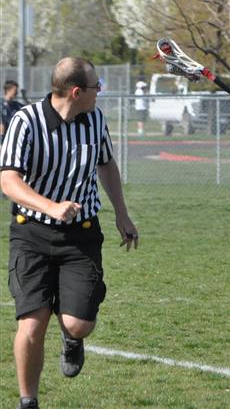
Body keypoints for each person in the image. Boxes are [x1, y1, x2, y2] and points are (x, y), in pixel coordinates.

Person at [1, 57, 139, 409]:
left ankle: (72, 339)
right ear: (77, 92)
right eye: (95, 86)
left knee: (78, 325)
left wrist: (122, 214)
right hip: (31, 234)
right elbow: (8, 181)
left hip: (81, 235)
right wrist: (50, 206)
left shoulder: (95, 120)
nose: (99, 91)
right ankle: (28, 401)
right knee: (32, 324)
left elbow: (106, 164)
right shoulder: (26, 121)